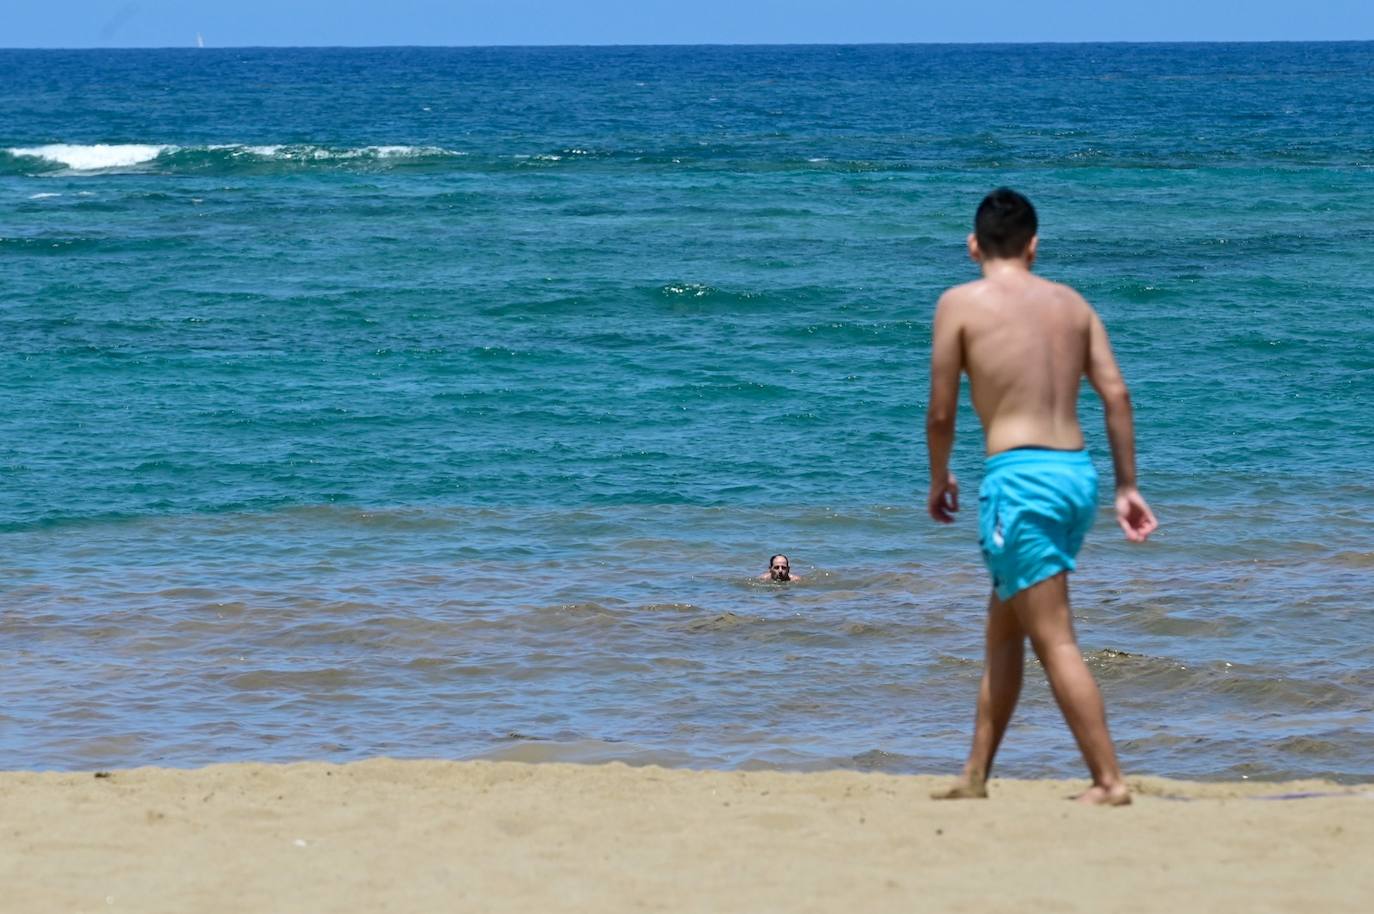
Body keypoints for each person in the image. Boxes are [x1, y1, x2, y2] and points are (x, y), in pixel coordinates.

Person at [924, 188, 1157, 807]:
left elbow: (942, 410)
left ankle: (1109, 780)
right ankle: (975, 775)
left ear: (974, 245)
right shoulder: (1072, 304)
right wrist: (1127, 485)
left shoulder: (960, 304)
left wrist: (939, 476)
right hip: (1074, 475)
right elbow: (1117, 396)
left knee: (1053, 637)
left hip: (1019, 481)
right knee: (1004, 628)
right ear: (1033, 245)